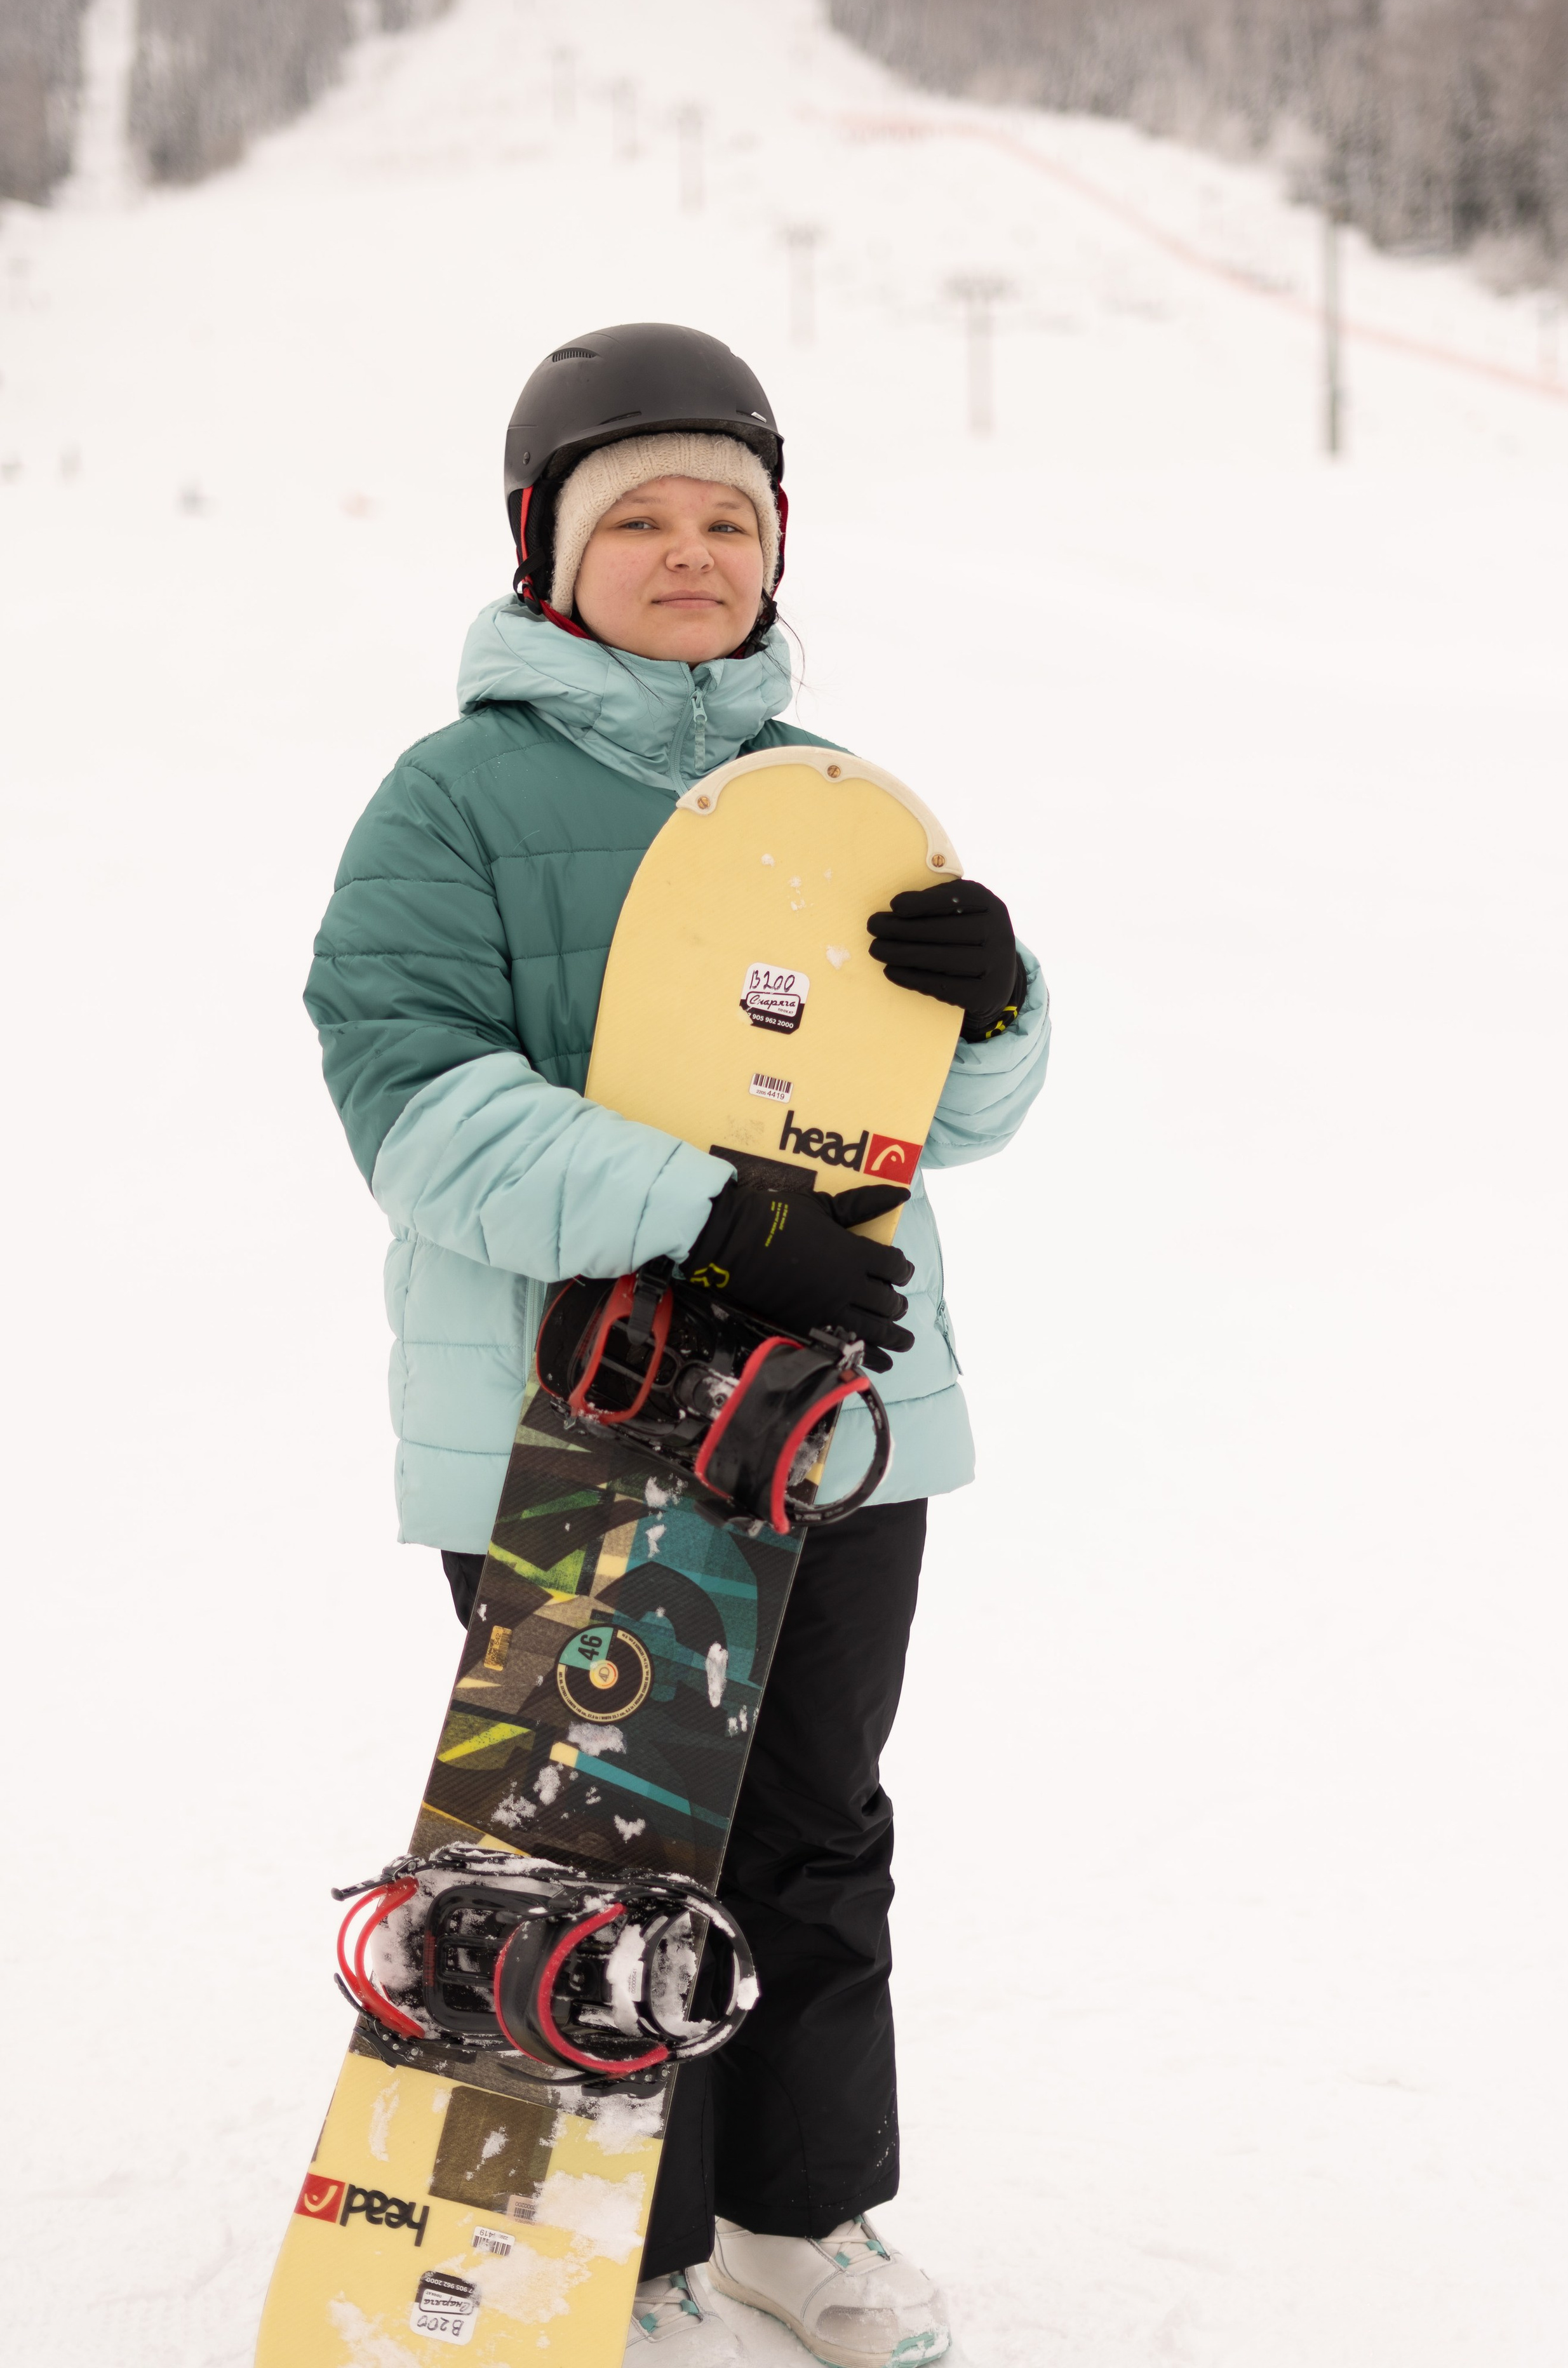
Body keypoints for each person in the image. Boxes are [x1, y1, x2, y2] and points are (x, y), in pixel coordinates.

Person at [305, 323, 1050, 2365]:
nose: (693, 549)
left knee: (818, 1827)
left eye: (732, 516)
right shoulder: (450, 798)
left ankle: (800, 2224)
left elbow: (952, 1122)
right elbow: (416, 1104)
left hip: (839, 1417)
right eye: (639, 513)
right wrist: (717, 1217)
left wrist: (992, 1004)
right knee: (596, 1846)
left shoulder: (830, 800)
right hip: (584, 1419)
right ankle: (600, 2253)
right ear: (546, 545)